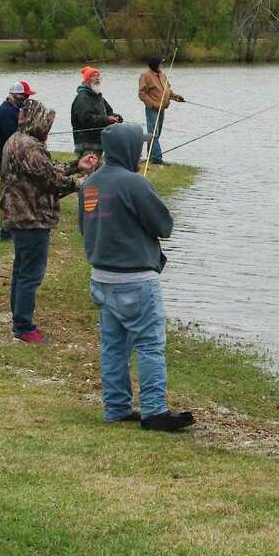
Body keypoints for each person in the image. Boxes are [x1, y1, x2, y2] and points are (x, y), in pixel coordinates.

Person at [78, 122, 194, 431]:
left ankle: (116, 407)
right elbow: (164, 226)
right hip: (136, 280)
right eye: (139, 147)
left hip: (101, 279)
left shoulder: (89, 184)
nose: (142, 153)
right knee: (149, 344)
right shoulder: (135, 184)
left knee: (113, 345)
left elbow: (85, 228)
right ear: (128, 149)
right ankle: (155, 411)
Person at [0, 99, 98, 343]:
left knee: (21, 269)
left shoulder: (16, 140)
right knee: (30, 274)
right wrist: (80, 184)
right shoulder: (30, 146)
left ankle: (18, 319)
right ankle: (23, 326)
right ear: (38, 121)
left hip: (19, 216)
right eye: (47, 123)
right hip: (31, 218)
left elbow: (47, 169)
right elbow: (51, 181)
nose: (49, 128)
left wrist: (77, 165)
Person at [0, 80, 36, 240]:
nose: (26, 99)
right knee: (8, 195)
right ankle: (6, 232)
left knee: (16, 193)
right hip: (7, 160)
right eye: (24, 96)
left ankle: (15, 228)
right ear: (16, 95)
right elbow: (13, 136)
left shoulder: (13, 109)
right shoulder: (5, 112)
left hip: (12, 158)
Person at [137, 55, 184, 167]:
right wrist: (153, 104)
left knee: (156, 134)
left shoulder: (162, 75)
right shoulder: (145, 76)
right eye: (160, 63)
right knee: (154, 134)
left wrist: (176, 97)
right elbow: (142, 94)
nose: (161, 65)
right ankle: (157, 159)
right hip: (152, 110)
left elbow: (167, 91)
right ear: (154, 64)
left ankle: (151, 157)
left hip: (162, 109)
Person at [70, 66, 122, 159]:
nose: (97, 78)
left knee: (98, 171)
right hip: (86, 145)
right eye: (94, 76)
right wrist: (107, 119)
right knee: (87, 172)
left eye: (98, 76)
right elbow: (87, 119)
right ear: (87, 80)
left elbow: (109, 112)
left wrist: (116, 117)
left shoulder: (98, 97)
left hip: (99, 142)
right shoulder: (83, 98)